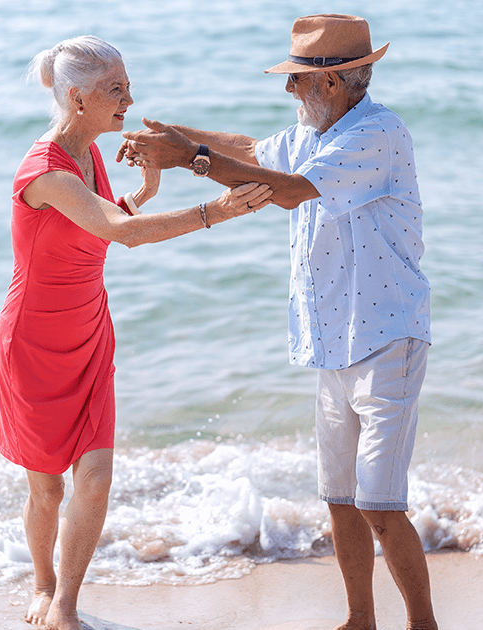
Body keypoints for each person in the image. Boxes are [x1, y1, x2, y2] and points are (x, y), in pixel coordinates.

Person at [117, 14, 437, 630]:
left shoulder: (377, 134)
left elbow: (288, 189)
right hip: (333, 343)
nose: (288, 91)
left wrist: (191, 159)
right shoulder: (314, 130)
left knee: (379, 503)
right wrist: (175, 138)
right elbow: (249, 150)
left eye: (297, 81)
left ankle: (422, 623)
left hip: (386, 339)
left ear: (335, 84)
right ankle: (360, 620)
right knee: (339, 500)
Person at [0, 36, 272, 630]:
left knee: (93, 481)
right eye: (114, 89)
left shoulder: (89, 154)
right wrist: (215, 211)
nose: (129, 98)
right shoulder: (44, 170)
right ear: (76, 98)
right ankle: (42, 584)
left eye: (126, 83)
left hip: (90, 330)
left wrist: (143, 194)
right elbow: (122, 232)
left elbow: (101, 224)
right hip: (35, 345)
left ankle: (65, 607)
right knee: (45, 490)